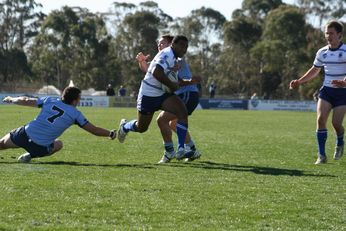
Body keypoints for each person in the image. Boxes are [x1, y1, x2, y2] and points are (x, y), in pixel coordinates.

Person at [116, 35, 190, 160]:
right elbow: (156, 72)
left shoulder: (173, 57)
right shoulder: (167, 54)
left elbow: (163, 72)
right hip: (148, 94)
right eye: (182, 46)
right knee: (142, 127)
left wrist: (178, 82)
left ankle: (182, 148)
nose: (185, 49)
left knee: (182, 112)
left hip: (162, 94)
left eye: (187, 47)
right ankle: (125, 127)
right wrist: (172, 85)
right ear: (174, 44)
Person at [0, 86, 117, 163]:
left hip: (24, 135)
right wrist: (110, 133)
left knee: (2, 144)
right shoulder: (76, 114)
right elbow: (94, 130)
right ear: (75, 100)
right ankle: (29, 155)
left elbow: (25, 100)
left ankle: (26, 153)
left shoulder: (49, 100)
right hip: (40, 148)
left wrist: (12, 99)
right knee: (58, 144)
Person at [136, 34, 201, 163]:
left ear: (171, 44)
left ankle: (176, 150)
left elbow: (165, 75)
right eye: (158, 44)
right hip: (164, 94)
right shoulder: (167, 56)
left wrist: (187, 82)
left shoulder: (174, 58)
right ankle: (187, 149)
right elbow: (153, 71)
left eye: (163, 43)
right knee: (160, 123)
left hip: (182, 94)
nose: (160, 46)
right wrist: (142, 62)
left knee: (170, 118)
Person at [289, 20, 346, 164]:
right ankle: (321, 156)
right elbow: (315, 70)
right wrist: (299, 81)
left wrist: (344, 81)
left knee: (336, 124)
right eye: (326, 33)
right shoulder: (322, 52)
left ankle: (340, 141)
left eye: (331, 33)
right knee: (320, 120)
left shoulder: (345, 51)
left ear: (339, 35)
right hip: (327, 91)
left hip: (342, 93)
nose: (328, 36)